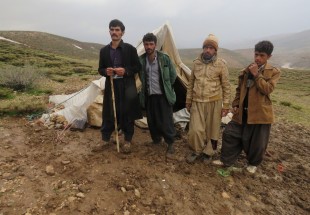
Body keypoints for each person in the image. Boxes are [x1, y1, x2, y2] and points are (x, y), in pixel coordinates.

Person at [212, 40, 281, 173]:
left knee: (257, 142)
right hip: (242, 112)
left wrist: (256, 75)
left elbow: (267, 89)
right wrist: (236, 103)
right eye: (256, 54)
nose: (258, 58)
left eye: (262, 55)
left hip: (260, 114)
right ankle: (226, 160)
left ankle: (252, 164)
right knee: (230, 133)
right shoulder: (246, 71)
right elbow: (239, 89)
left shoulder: (273, 72)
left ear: (269, 57)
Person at [94, 19, 142, 153]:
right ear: (109, 31)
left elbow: (137, 67)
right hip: (111, 85)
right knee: (109, 111)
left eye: (117, 30)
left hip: (127, 86)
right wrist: (105, 72)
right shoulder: (104, 51)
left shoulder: (130, 49)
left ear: (122, 32)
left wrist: (125, 71)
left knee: (128, 113)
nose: (114, 32)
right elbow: (100, 69)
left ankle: (127, 140)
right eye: (112, 29)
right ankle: (105, 139)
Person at [186, 34, 231, 163]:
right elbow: (191, 84)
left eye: (211, 48)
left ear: (215, 50)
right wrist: (188, 100)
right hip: (197, 101)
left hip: (214, 101)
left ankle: (209, 152)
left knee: (213, 130)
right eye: (206, 47)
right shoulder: (196, 63)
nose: (208, 50)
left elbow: (226, 86)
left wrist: (226, 105)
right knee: (195, 129)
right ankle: (196, 150)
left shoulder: (221, 64)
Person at [138, 33, 177, 155]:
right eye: (146, 44)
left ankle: (170, 143)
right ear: (143, 45)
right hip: (150, 95)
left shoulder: (164, 58)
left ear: (155, 45)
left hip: (163, 95)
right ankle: (156, 140)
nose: (148, 46)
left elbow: (173, 75)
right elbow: (141, 76)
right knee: (152, 120)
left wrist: (167, 86)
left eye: (151, 44)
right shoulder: (142, 60)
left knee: (166, 121)